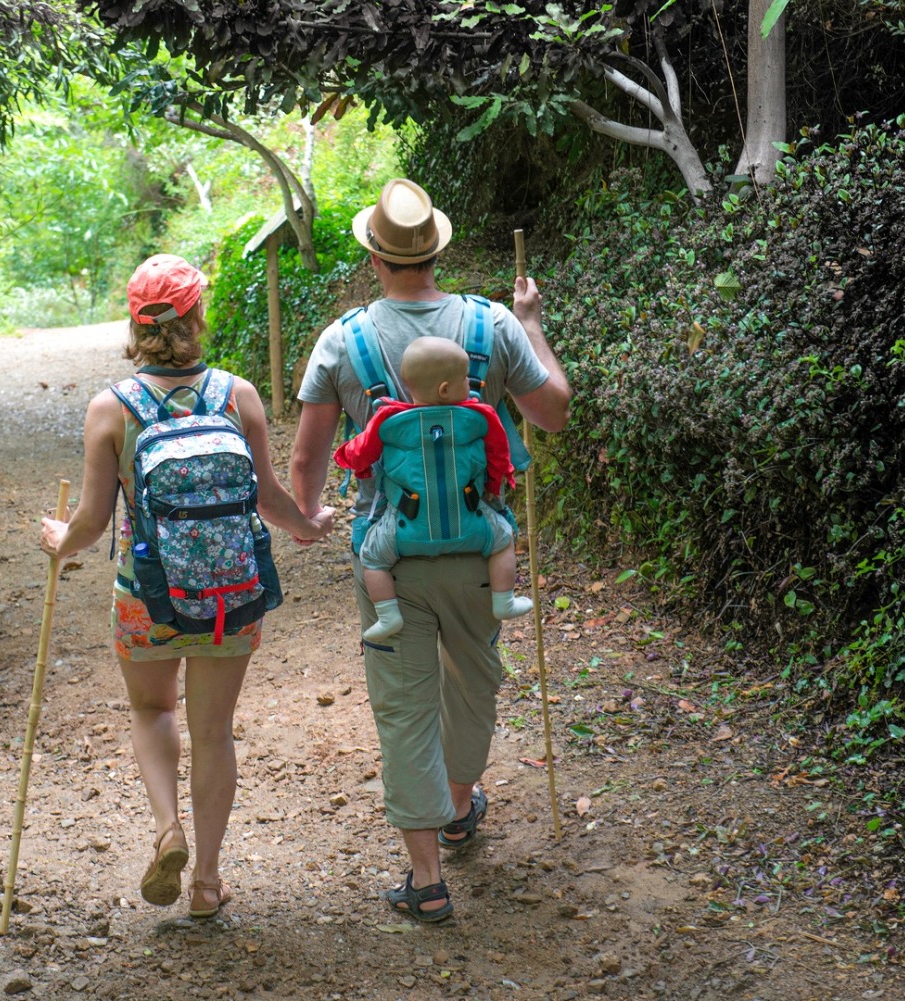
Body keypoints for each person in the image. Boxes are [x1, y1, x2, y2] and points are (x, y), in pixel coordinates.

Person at [290, 179, 571, 922]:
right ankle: (457, 802)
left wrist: (306, 516)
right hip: (483, 549)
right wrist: (531, 323)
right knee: (474, 681)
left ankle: (427, 877)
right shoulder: (491, 325)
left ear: (374, 257)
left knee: (406, 704)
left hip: (390, 553)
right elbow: (553, 412)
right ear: (437, 251)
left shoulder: (342, 339)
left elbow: (308, 457)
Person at [41, 253, 334, 919]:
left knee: (152, 710)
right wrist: (306, 525)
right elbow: (268, 498)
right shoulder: (238, 395)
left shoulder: (110, 409)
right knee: (214, 731)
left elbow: (91, 522)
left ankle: (167, 828)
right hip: (232, 595)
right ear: (197, 316)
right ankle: (206, 880)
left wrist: (60, 542)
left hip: (148, 596)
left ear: (135, 324)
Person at [333, 335, 534, 643]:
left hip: (403, 532)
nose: (470, 382)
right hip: (472, 525)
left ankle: (388, 616)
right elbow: (499, 456)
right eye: (465, 377)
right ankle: (504, 600)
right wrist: (494, 487)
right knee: (504, 540)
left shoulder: (388, 420)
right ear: (445, 388)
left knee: (372, 557)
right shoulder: (480, 418)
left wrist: (351, 462)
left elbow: (359, 453)